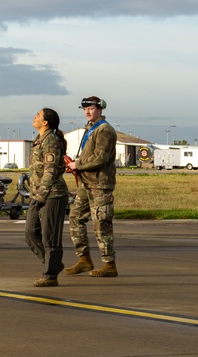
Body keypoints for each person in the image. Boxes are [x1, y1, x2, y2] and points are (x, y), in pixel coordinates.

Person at [65, 96, 118, 277]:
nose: (87, 111)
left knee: (101, 223)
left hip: (99, 185)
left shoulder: (104, 131)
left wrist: (77, 165)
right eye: (85, 109)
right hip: (86, 183)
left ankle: (109, 264)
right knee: (75, 218)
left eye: (91, 108)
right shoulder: (91, 129)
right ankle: (84, 259)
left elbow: (100, 158)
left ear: (100, 109)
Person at [25, 108, 68, 287]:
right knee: (30, 232)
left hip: (53, 195)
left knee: (50, 237)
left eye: (38, 115)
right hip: (39, 195)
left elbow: (50, 171)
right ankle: (53, 264)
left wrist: (41, 195)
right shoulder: (39, 140)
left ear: (46, 122)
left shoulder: (50, 140)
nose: (34, 116)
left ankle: (50, 275)